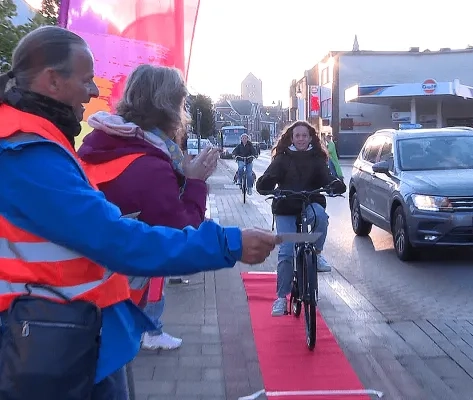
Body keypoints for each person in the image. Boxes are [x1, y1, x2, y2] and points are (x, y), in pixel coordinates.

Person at [0, 26, 278, 399]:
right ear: (52, 81)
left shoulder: (54, 142)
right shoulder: (29, 155)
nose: (95, 92)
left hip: (65, 330)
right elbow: (116, 238)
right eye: (86, 80)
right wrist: (229, 243)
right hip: (54, 341)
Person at [78, 64, 217, 351]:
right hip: (113, 303)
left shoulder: (100, 143)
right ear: (169, 106)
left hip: (77, 291)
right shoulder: (150, 164)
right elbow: (182, 236)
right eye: (181, 101)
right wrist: (195, 183)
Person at [256, 121, 346, 317]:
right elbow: (268, 177)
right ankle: (281, 298)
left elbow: (326, 177)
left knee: (321, 216)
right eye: (297, 136)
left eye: (304, 135)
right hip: (286, 206)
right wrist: (267, 183)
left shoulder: (317, 158)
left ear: (310, 137)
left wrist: (335, 184)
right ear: (291, 137)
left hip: (310, 202)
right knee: (286, 252)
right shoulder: (282, 158)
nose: (301, 139)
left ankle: (317, 251)